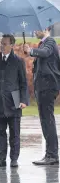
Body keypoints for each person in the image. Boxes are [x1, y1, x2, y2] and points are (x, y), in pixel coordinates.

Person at [0, 34, 29, 168]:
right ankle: (1, 158)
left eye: (5, 44)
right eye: (1, 43)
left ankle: (14, 159)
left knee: (15, 133)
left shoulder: (18, 61)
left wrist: (23, 100)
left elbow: (23, 83)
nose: (2, 46)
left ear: (12, 45)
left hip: (15, 100)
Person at [24, 27, 60, 165]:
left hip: (47, 87)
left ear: (46, 28)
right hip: (43, 87)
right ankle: (50, 154)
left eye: (37, 28)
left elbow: (45, 53)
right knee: (45, 121)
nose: (34, 31)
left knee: (47, 120)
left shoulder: (50, 42)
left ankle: (52, 155)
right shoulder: (44, 43)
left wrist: (31, 51)